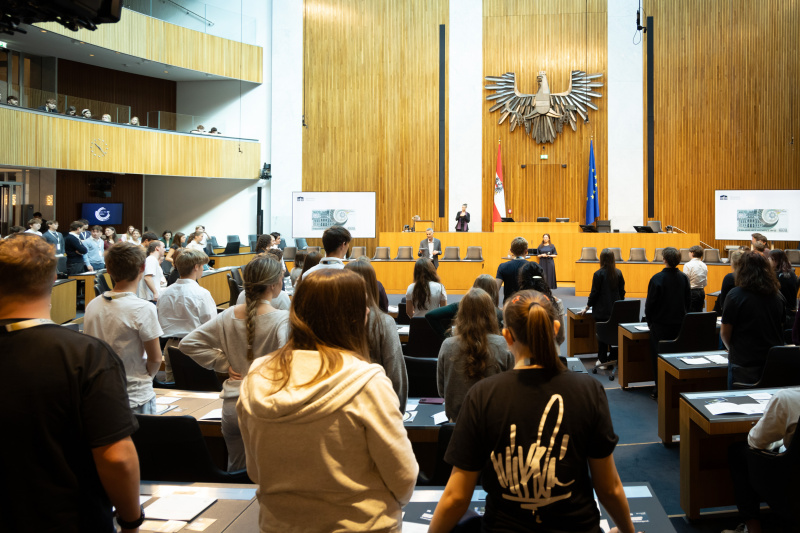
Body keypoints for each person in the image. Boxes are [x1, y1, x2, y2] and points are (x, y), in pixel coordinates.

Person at [427, 290, 636, 533]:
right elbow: (609, 488)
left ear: (506, 336)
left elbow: (456, 498)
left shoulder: (482, 395)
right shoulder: (589, 389)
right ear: (556, 328)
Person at [237, 269, 418, 531]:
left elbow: (255, 470)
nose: (369, 312)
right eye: (364, 306)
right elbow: (403, 478)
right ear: (354, 317)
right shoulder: (368, 381)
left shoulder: (257, 374)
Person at [0, 235, 143, 533]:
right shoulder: (86, 354)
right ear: (53, 278)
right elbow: (116, 458)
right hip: (67, 520)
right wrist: (131, 520)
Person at [182, 254, 289, 471]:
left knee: (236, 472)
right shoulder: (282, 319)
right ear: (273, 284)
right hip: (266, 405)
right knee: (268, 475)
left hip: (232, 406)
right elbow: (288, 359)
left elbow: (188, 344)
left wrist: (224, 363)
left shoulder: (228, 314)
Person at [84, 242, 164, 413]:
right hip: (135, 397)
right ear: (142, 267)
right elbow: (156, 359)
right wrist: (144, 378)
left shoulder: (92, 305)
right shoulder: (144, 308)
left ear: (108, 269)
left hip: (100, 393)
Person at [725, 387, 800, 533]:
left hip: (791, 484)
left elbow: (756, 442)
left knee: (738, 452)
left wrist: (777, 441)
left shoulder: (787, 398)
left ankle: (753, 528)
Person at [437, 288, 514, 422]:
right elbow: (513, 391)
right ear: (491, 313)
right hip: (496, 428)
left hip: (457, 428)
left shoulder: (447, 345)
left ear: (461, 313)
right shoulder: (505, 345)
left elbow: (442, 390)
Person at [344, 259, 409, 411]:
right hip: (377, 406)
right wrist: (397, 414)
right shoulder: (383, 322)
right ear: (372, 284)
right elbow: (396, 375)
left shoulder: (333, 320)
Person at [721, 250, 786, 388]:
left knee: (738, 405)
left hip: (744, 361)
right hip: (771, 360)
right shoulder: (777, 295)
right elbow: (781, 326)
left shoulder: (735, 295)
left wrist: (733, 350)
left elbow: (725, 333)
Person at [157, 249, 217, 383]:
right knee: (200, 387)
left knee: (174, 385)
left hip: (171, 346)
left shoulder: (165, 293)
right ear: (196, 267)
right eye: (202, 266)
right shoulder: (201, 293)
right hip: (196, 345)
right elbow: (212, 324)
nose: (203, 269)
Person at [644, 247, 691, 399]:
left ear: (664, 259)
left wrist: (650, 322)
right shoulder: (684, 278)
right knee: (676, 357)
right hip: (679, 324)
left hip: (660, 325)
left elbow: (650, 305)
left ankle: (659, 389)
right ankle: (676, 388)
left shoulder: (657, 278)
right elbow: (687, 301)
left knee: (658, 357)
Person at [582, 248, 626, 366]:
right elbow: (622, 292)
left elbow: (594, 293)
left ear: (601, 259)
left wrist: (587, 307)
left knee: (602, 336)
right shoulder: (618, 273)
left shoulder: (598, 274)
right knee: (613, 334)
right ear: (613, 259)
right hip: (615, 311)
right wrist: (620, 306)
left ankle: (602, 360)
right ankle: (613, 358)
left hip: (601, 312)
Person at [426, 274, 504, 340]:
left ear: (475, 287)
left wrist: (446, 338)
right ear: (494, 292)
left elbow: (430, 315)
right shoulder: (499, 314)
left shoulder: (460, 306)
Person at [518, 261, 566, 347]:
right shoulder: (556, 302)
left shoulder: (516, 303)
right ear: (543, 277)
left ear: (522, 279)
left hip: (524, 354)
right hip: (549, 353)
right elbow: (561, 336)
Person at [769, 248, 798, 328]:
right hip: (791, 311)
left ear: (776, 260)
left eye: (769, 259)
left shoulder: (777, 276)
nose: (768, 261)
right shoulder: (791, 272)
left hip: (783, 313)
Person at [495, 236, 528, 303]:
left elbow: (495, 290)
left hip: (508, 305)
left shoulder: (503, 266)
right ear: (526, 251)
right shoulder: (533, 266)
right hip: (526, 305)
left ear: (511, 251)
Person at [714, 249, 744, 316]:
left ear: (733, 262)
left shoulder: (729, 277)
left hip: (732, 314)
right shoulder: (753, 276)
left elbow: (723, 301)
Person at [683, 245, 708, 312]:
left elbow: (686, 281)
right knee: (699, 313)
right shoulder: (704, 265)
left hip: (691, 292)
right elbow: (705, 282)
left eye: (689, 252)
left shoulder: (688, 265)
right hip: (701, 292)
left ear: (692, 253)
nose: (688, 253)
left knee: (690, 314)